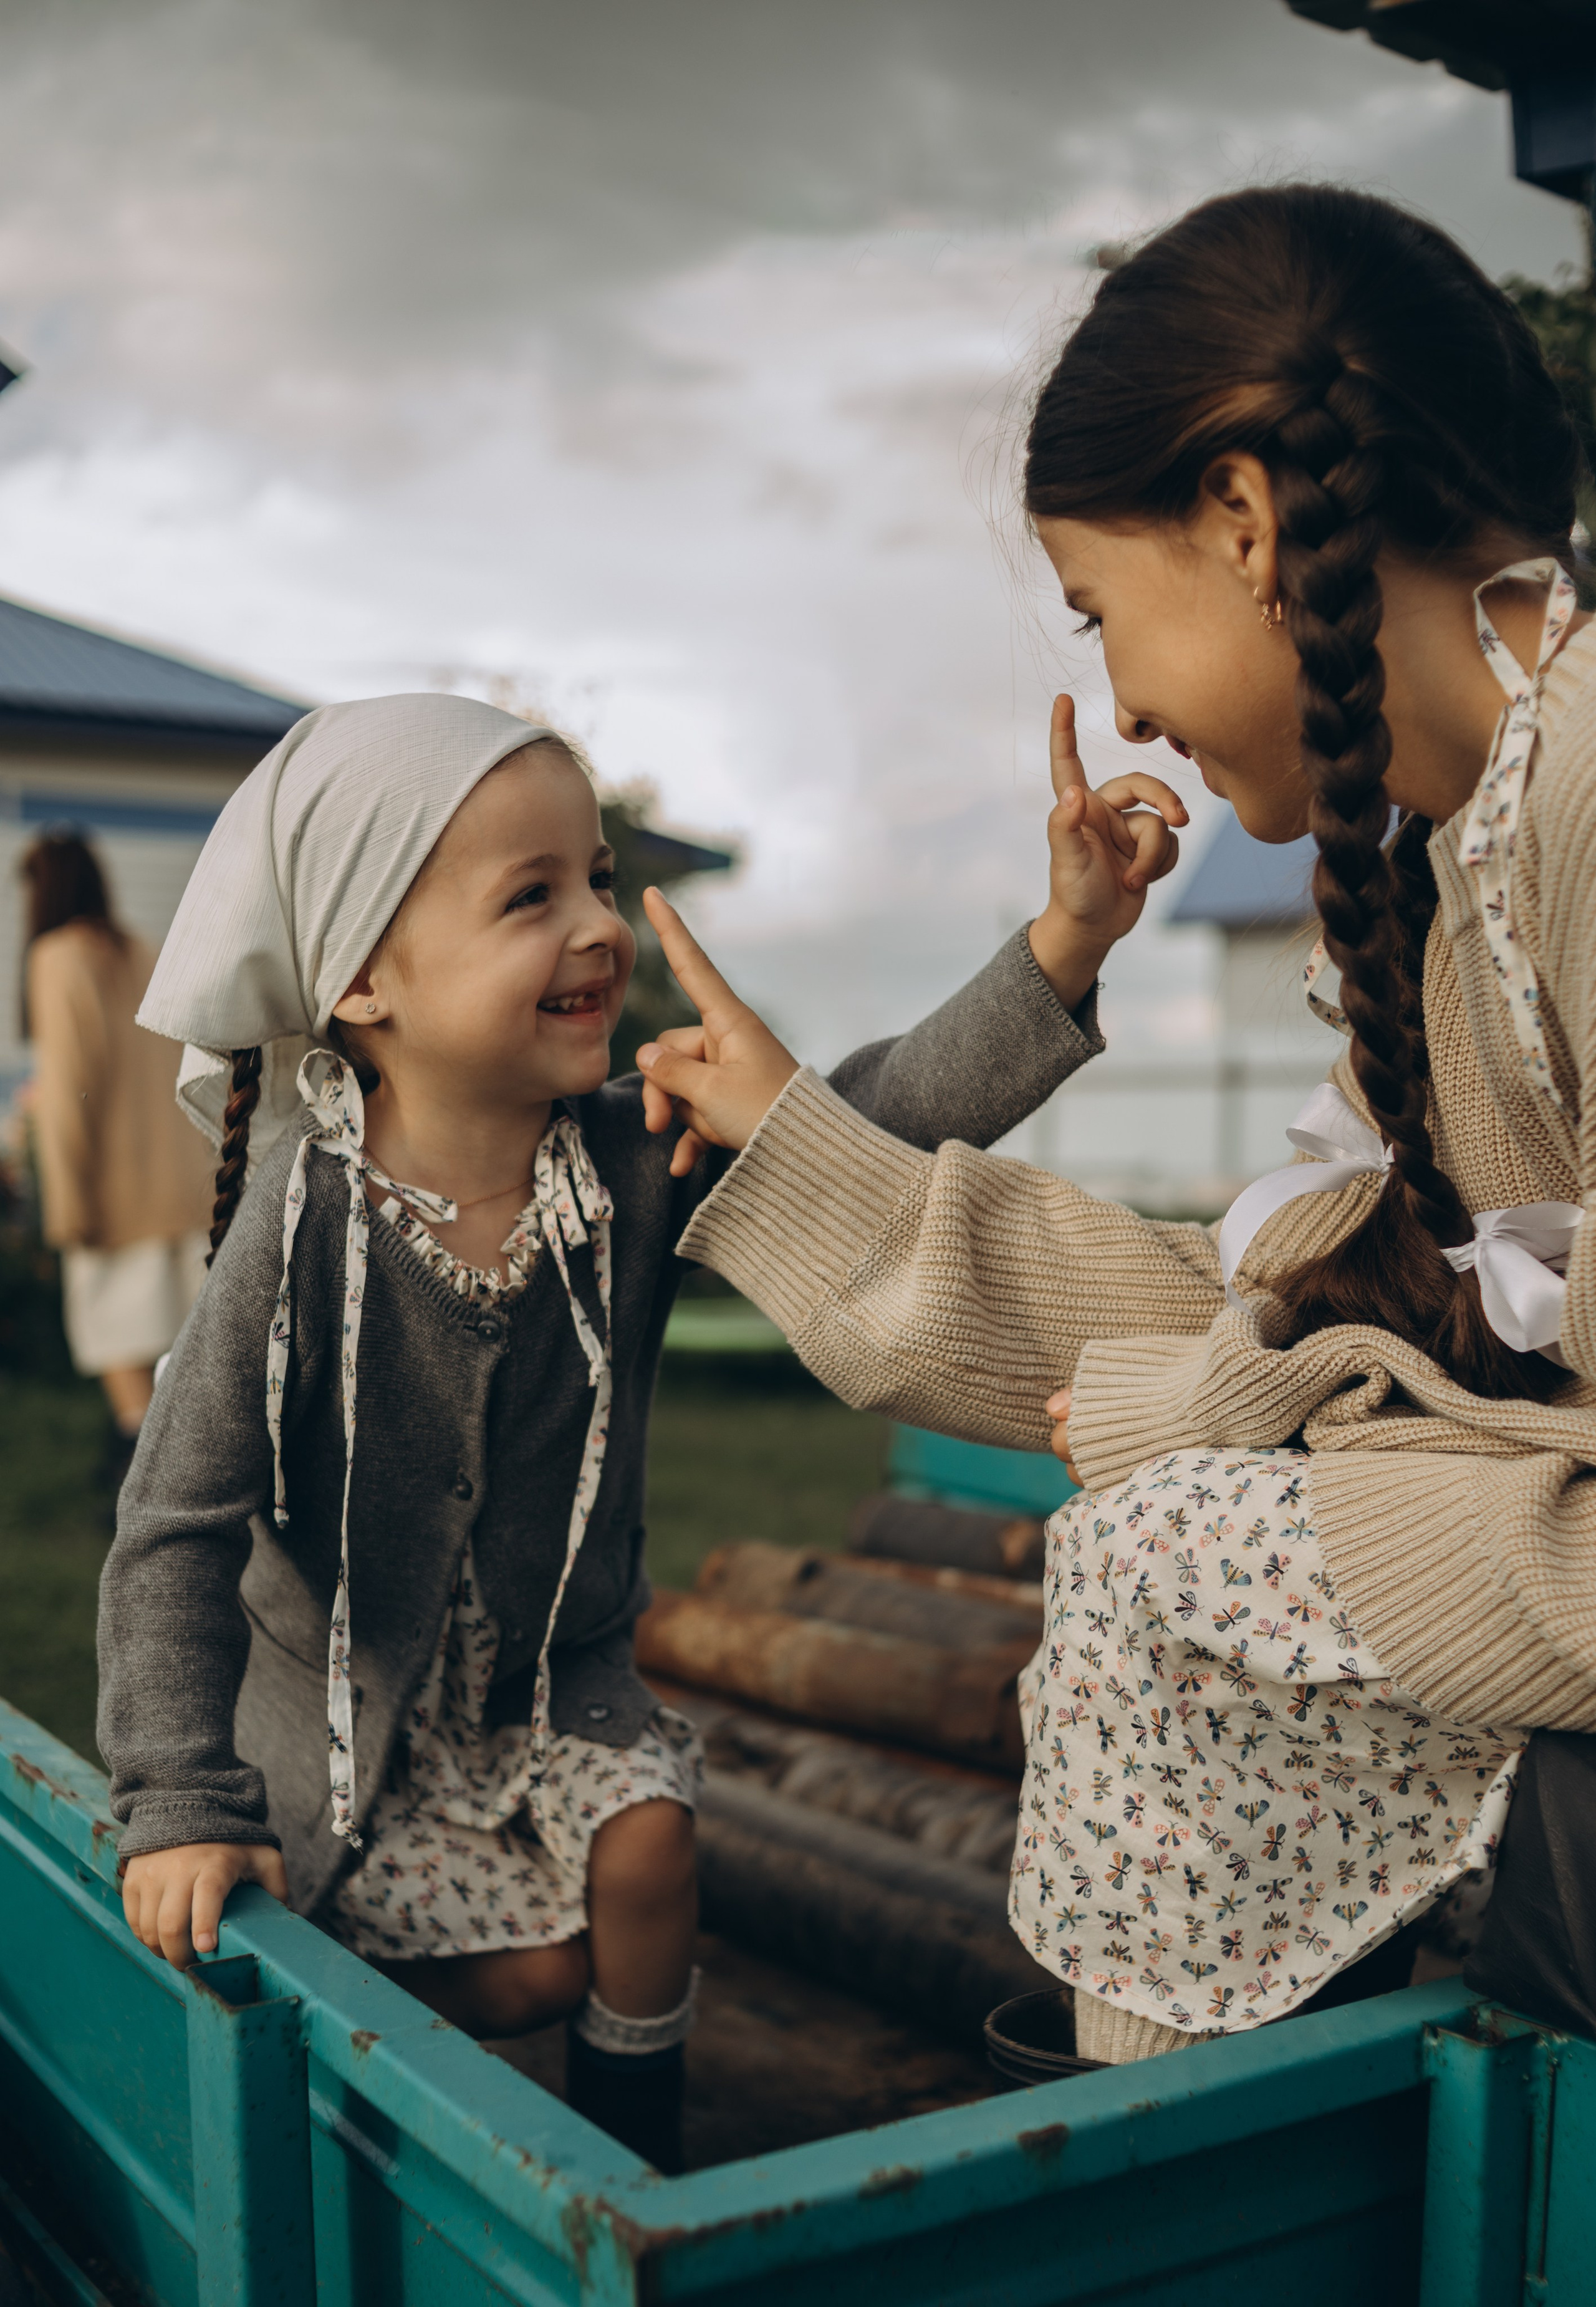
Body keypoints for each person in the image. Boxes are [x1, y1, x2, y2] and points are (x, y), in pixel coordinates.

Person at [631, 183, 1596, 2064]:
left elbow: (1320, 1353)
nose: (1124, 702)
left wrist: (1248, 1424)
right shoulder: (1459, 849)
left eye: (1097, 611)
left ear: (1239, 519)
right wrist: (805, 1160)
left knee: (1162, 1554)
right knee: (1168, 1527)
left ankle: (1166, 2205)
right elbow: (1315, 1297)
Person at [97, 690, 1180, 2169]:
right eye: (530, 896)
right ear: (359, 981)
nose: (598, 925)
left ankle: (635, 2185)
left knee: (650, 1842)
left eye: (597, 878)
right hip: (343, 1727)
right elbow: (174, 1525)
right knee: (445, 1973)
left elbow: (875, 1116)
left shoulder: (629, 1155)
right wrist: (176, 1792)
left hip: (554, 1692)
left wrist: (1067, 938)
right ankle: (358, 2117)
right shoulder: (301, 1227)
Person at [21, 832, 215, 1468]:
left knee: (126, 1371)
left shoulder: (56, 957)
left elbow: (73, 1086)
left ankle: (141, 1519)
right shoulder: (145, 951)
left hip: (111, 1199)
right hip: (187, 1190)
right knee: (185, 1371)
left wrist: (68, 1210)